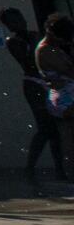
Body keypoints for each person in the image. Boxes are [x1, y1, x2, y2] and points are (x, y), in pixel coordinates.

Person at [4, 8, 67, 184]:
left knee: (53, 130)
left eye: (19, 18)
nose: (19, 22)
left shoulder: (36, 35)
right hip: (33, 84)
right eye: (13, 21)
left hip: (47, 82)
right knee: (46, 128)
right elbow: (28, 62)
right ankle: (31, 169)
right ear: (8, 25)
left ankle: (59, 170)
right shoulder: (13, 41)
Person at [37, 13, 74, 166]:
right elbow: (70, 72)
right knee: (70, 139)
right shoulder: (46, 50)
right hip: (64, 99)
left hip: (68, 96)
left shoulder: (54, 49)